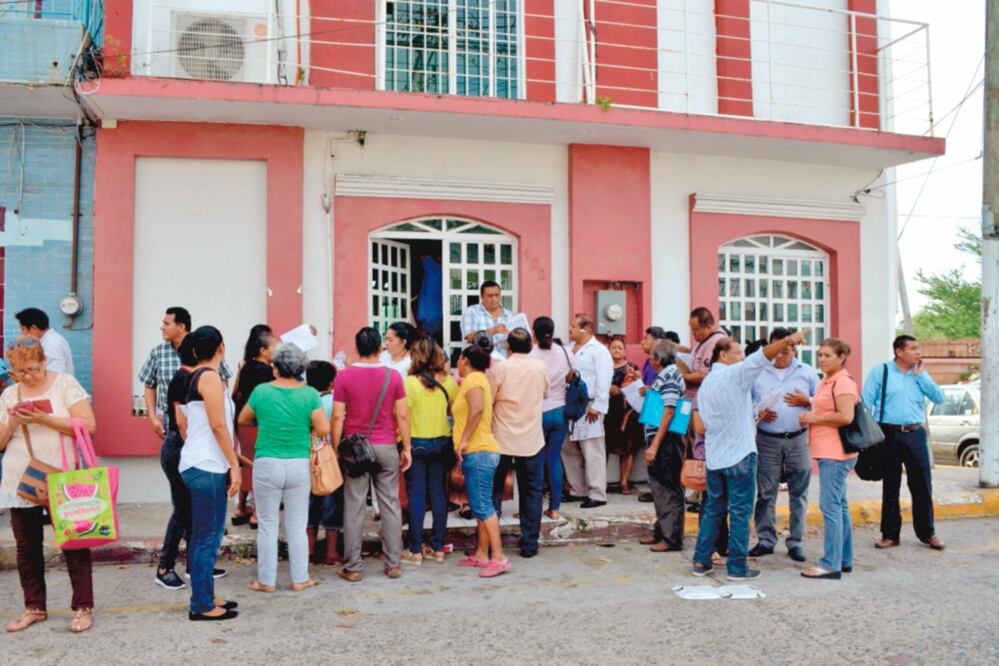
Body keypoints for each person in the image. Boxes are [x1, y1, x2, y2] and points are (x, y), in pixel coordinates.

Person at [691, 330, 806, 581]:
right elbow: (762, 356)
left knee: (713, 511)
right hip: (739, 454)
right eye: (737, 353)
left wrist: (754, 413)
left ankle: (701, 561)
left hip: (715, 456)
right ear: (723, 355)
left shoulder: (707, 383)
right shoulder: (736, 374)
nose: (742, 358)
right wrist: (788, 341)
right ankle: (737, 568)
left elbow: (720, 416)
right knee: (740, 513)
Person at [0, 337, 96, 633]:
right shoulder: (9, 394)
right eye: (19, 372)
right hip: (21, 478)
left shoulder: (65, 384)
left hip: (63, 476)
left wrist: (44, 418)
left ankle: (82, 607)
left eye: (32, 369)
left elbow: (89, 425)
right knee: (26, 547)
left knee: (74, 542)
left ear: (44, 361)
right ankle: (34, 607)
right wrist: (13, 422)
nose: (27, 376)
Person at [239, 343, 328, 592]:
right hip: (298, 463)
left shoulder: (261, 391)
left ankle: (266, 581)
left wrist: (266, 420)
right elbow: (323, 428)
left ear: (275, 367)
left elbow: (243, 419)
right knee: (297, 525)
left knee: (267, 524)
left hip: (267, 462)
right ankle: (300, 578)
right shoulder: (310, 394)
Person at [332, 327, 412, 582]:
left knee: (354, 506)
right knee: (390, 504)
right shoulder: (393, 376)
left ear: (357, 348)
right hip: (386, 445)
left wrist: (336, 447)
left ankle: (353, 566)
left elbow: (337, 416)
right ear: (380, 348)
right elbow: (402, 414)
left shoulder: (344, 377)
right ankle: (393, 563)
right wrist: (407, 447)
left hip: (356, 449)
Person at [174, 326, 241, 621]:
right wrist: (234, 465)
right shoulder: (210, 377)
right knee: (207, 538)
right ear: (221, 348)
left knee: (206, 537)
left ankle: (206, 595)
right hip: (207, 465)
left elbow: (192, 422)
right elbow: (217, 425)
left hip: (200, 462)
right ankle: (201, 604)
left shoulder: (193, 378)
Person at [862, 335, 946, 551]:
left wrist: (921, 376)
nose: (918, 352)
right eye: (913, 348)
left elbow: (939, 398)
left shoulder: (920, 374)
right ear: (899, 352)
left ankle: (927, 533)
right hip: (888, 433)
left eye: (919, 348)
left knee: (922, 485)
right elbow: (866, 403)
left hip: (915, 434)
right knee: (891, 485)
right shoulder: (881, 371)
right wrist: (867, 434)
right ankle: (890, 535)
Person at [749, 327, 818, 562]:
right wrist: (758, 411)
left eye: (785, 351)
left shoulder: (807, 373)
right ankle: (765, 540)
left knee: (799, 493)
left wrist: (806, 400)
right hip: (767, 440)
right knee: (766, 493)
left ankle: (796, 542)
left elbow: (822, 402)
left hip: (798, 439)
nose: (779, 356)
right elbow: (746, 403)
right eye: (776, 350)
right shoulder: (758, 372)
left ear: (794, 349)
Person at [799, 338, 858, 579]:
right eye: (820, 354)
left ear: (841, 358)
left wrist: (813, 418)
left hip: (836, 453)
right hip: (828, 450)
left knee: (830, 506)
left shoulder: (842, 382)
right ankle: (843, 559)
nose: (822, 359)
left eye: (827, 355)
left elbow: (846, 416)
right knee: (839, 506)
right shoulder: (827, 381)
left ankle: (830, 564)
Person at [490, 328, 549, 559]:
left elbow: (490, 398)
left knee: (494, 490)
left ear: (508, 347)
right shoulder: (539, 367)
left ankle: (491, 541)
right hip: (531, 438)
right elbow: (544, 394)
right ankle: (530, 542)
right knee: (531, 491)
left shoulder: (501, 368)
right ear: (531, 346)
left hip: (502, 436)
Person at [453, 343, 509, 577]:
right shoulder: (477, 379)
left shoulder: (473, 380)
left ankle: (499, 557)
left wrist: (464, 439)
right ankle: (481, 554)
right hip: (480, 451)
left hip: (479, 450)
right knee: (480, 504)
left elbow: (476, 410)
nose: (457, 364)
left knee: (483, 506)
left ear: (465, 360)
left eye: (458, 359)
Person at [401, 338, 457, 565]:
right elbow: (454, 411)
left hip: (416, 442)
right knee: (438, 494)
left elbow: (403, 416)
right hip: (442, 441)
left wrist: (405, 446)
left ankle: (414, 549)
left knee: (416, 495)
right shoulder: (449, 381)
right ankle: (437, 547)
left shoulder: (409, 383)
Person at [138, 307, 231, 440]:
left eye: (166, 324)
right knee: (174, 450)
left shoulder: (204, 345)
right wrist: (153, 417)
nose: (162, 328)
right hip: (171, 418)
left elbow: (223, 379)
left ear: (181, 327)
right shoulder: (158, 352)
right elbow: (149, 385)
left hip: (203, 416)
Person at [155, 335, 197, 591]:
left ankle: (193, 564)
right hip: (179, 448)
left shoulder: (191, 377)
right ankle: (164, 568)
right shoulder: (183, 378)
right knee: (182, 509)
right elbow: (181, 421)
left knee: (190, 508)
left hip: (182, 447)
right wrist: (193, 449)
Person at [639, 340, 687, 553]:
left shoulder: (670, 377)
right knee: (660, 487)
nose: (649, 359)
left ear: (658, 358)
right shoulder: (668, 376)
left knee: (668, 488)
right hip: (664, 438)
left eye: (652, 355)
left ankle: (671, 538)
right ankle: (661, 531)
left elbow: (669, 410)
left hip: (666, 439)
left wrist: (655, 445)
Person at [563, 313, 613, 508]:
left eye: (574, 326)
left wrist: (598, 405)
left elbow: (604, 378)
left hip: (589, 403)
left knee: (592, 449)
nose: (570, 329)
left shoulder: (598, 351)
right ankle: (577, 488)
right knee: (569, 448)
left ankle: (597, 493)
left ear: (585, 329)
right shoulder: (568, 349)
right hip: (569, 403)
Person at [230, 325, 277, 528]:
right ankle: (257, 513)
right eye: (274, 347)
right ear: (263, 350)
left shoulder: (246, 367)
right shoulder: (267, 372)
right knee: (260, 466)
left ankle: (241, 507)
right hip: (258, 423)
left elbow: (235, 393)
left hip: (242, 423)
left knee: (247, 463)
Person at [527, 316, 573, 519]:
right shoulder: (565, 351)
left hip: (539, 412)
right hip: (560, 411)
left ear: (534, 333)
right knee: (554, 459)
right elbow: (572, 375)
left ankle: (533, 508)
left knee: (536, 461)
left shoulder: (531, 355)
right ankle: (554, 508)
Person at [305, 360, 343, 566]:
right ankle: (331, 552)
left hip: (306, 458)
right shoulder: (333, 401)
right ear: (331, 382)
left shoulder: (304, 400)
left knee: (309, 505)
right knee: (332, 504)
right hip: (328, 459)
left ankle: (310, 550)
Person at [606, 337, 644, 496]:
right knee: (604, 447)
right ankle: (601, 482)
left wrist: (636, 378)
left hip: (627, 413)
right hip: (608, 412)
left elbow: (640, 386)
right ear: (608, 349)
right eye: (613, 347)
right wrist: (608, 388)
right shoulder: (604, 366)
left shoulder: (631, 367)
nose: (616, 350)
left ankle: (624, 482)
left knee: (627, 449)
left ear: (624, 350)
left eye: (620, 348)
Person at [682, 307, 727, 400]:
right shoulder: (705, 339)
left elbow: (705, 375)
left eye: (696, 330)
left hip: (702, 398)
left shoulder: (715, 341)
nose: (693, 333)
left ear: (709, 327)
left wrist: (681, 376)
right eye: (692, 329)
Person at [15, 308, 74, 376]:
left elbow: (55, 377)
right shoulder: (50, 340)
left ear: (33, 328)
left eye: (23, 329)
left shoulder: (51, 345)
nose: (22, 333)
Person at [460, 281, 514, 352]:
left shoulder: (509, 315)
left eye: (497, 295)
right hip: (481, 357)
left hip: (504, 358)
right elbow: (469, 337)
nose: (494, 298)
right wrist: (493, 330)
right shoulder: (472, 312)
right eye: (490, 296)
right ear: (482, 297)